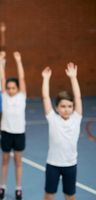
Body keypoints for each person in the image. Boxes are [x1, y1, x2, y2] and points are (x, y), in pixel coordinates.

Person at [42, 63, 82, 200]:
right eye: (63, 106)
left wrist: (73, 78)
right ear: (57, 108)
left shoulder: (76, 118)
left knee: (70, 195)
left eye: (69, 106)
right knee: (49, 194)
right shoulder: (53, 118)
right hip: (53, 164)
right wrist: (46, 79)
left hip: (70, 165)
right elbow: (46, 98)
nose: (66, 109)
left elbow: (78, 97)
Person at [0, 51, 27, 200]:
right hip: (6, 132)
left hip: (19, 133)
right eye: (8, 88)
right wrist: (2, 63)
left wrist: (18, 60)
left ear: (17, 89)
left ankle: (18, 188)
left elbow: (21, 78)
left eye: (13, 88)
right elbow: (2, 78)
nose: (10, 90)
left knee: (18, 161)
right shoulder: (4, 96)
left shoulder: (22, 96)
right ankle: (2, 186)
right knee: (5, 160)